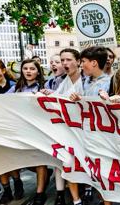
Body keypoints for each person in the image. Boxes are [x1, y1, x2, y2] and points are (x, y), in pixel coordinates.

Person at [41, 49, 84, 205]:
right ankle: (72, 198)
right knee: (64, 161)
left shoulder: (86, 80)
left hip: (83, 132)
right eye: (62, 60)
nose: (65, 63)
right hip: (66, 131)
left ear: (78, 62)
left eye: (68, 60)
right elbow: (57, 99)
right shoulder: (64, 81)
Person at [68, 46, 111, 205]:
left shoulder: (109, 82)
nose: (81, 65)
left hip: (100, 134)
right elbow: (66, 96)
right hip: (82, 132)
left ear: (94, 63)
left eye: (83, 61)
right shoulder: (83, 81)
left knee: (102, 169)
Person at [5, 59, 51, 205]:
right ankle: (39, 177)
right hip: (20, 131)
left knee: (40, 161)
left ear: (38, 71)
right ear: (22, 70)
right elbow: (2, 100)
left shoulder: (45, 86)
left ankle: (39, 193)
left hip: (38, 130)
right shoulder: (17, 88)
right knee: (20, 160)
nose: (28, 71)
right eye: (25, 68)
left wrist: (48, 95)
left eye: (32, 68)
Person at [0, 59, 22, 204]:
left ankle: (18, 183)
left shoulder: (15, 86)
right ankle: (6, 190)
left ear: (3, 70)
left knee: (11, 159)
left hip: (10, 129)